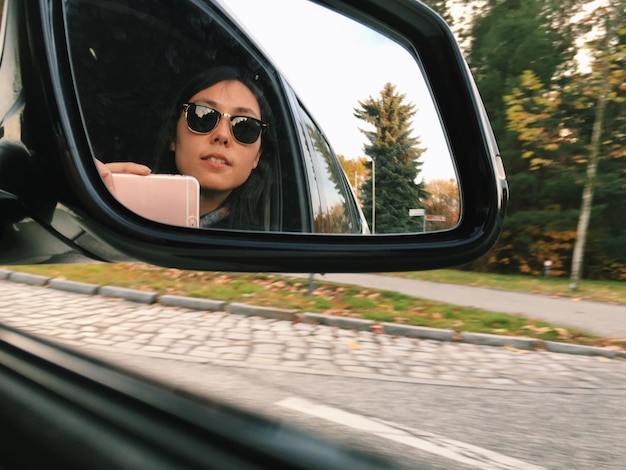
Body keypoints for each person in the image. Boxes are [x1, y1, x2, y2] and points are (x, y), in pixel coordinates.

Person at [99, 66, 277, 231]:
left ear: (257, 157)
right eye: (202, 116)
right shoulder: (117, 202)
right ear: (173, 137)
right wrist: (98, 200)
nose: (222, 135)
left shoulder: (263, 236)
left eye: (245, 127)